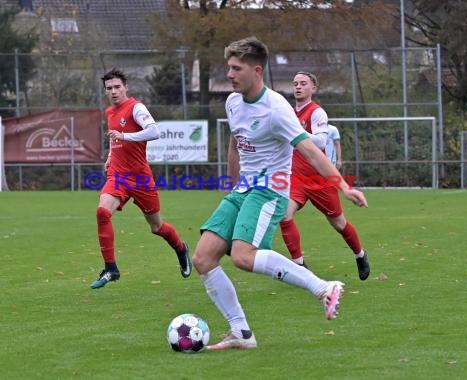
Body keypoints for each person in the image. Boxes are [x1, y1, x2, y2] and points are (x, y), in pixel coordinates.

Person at [191, 37, 368, 350]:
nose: (229, 74)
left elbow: (311, 151)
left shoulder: (276, 109)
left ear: (256, 71)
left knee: (243, 257)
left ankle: (324, 287)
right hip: (244, 189)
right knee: (203, 258)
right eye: (228, 67)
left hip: (269, 190)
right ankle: (241, 334)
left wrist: (343, 185)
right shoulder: (233, 102)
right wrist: (234, 184)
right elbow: (235, 143)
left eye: (236, 68)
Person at [91, 68, 191, 289]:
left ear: (126, 87)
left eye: (118, 87)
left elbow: (154, 131)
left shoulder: (136, 108)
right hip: (118, 175)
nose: (114, 92)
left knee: (157, 227)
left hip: (140, 178)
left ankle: (181, 248)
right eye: (109, 88)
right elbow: (114, 137)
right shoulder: (110, 112)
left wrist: (124, 136)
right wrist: (110, 155)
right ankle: (111, 268)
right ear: (105, 91)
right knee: (102, 212)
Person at [279, 71, 370, 280]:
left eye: (303, 83)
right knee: (284, 215)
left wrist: (294, 132)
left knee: (339, 223)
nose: (298, 87)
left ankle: (360, 254)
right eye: (295, 83)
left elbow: (320, 142)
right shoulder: (288, 113)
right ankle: (299, 264)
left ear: (313, 88)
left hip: (319, 177)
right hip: (295, 177)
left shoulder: (317, 112)